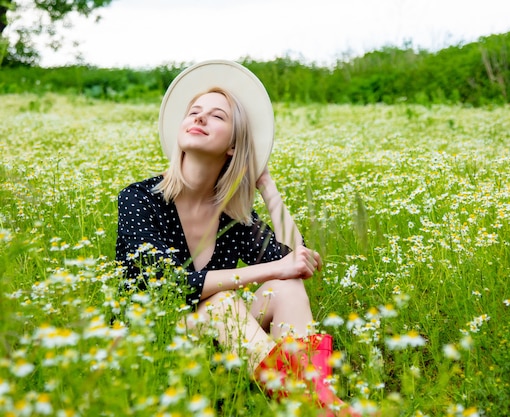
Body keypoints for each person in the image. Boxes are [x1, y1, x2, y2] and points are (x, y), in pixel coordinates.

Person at [115, 60, 360, 416]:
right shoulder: (140, 198)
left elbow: (298, 261)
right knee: (222, 302)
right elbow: (166, 284)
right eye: (194, 112)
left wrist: (266, 185)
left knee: (287, 288)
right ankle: (317, 407)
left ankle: (308, 401)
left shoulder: (232, 216)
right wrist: (265, 270)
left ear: (233, 145)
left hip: (216, 340)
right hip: (151, 340)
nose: (199, 118)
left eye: (216, 116)